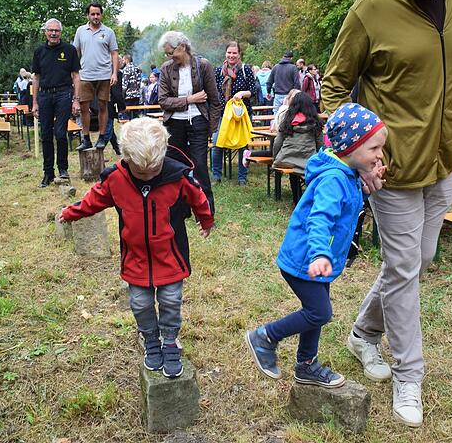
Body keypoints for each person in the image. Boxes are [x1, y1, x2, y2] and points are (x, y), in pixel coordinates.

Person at [320, 0, 452, 427]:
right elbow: (332, 88)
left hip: (443, 162)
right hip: (390, 172)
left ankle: (363, 333)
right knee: (405, 269)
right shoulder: (372, 7)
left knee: (417, 259)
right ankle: (409, 373)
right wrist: (359, 159)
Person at [246, 103, 387, 388]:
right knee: (320, 312)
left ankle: (306, 365)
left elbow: (347, 209)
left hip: (317, 261)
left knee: (315, 313)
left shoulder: (347, 173)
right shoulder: (334, 179)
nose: (380, 155)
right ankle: (265, 337)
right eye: (373, 149)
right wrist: (321, 253)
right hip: (306, 259)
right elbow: (320, 219)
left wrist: (366, 185)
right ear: (350, 146)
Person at [60, 117, 214, 378]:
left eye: (153, 170)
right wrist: (71, 212)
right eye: (140, 172)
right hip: (136, 259)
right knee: (140, 303)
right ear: (126, 157)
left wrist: (206, 219)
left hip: (170, 257)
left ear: (163, 156)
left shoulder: (178, 177)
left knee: (171, 300)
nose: (147, 176)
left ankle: (169, 340)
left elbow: (198, 197)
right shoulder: (116, 180)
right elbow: (93, 200)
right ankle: (150, 339)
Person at [157, 31, 221, 212]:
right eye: (167, 54)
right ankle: (180, 210)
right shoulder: (166, 69)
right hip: (174, 125)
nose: (169, 57)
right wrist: (188, 100)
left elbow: (215, 101)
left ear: (182, 47)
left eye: (171, 53)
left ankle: (206, 210)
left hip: (198, 123)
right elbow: (162, 100)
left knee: (200, 166)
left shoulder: (203, 66)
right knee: (176, 166)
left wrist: (211, 127)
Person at [31, 18, 81, 187]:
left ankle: (63, 169)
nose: (53, 33)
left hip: (63, 94)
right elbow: (36, 78)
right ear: (45, 32)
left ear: (60, 32)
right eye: (50, 30)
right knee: (45, 134)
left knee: (60, 133)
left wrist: (76, 100)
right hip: (44, 96)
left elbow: (76, 76)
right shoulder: (39, 51)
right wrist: (34, 102)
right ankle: (48, 173)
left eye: (56, 31)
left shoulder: (70, 50)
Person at [73, 2, 120, 151]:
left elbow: (114, 53)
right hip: (85, 75)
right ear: (88, 15)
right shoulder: (81, 31)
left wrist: (114, 73)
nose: (95, 17)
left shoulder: (108, 32)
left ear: (101, 15)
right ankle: (86, 138)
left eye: (98, 14)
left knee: (102, 106)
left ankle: (101, 137)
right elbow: (76, 52)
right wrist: (74, 72)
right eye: (92, 14)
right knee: (84, 107)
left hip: (104, 75)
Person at [212, 41, 258, 186]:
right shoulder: (218, 71)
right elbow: (214, 91)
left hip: (241, 115)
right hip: (222, 114)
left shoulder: (246, 70)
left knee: (243, 146)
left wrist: (243, 93)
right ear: (225, 53)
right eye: (229, 52)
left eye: (234, 53)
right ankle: (216, 176)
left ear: (239, 54)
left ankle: (242, 178)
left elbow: (254, 91)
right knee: (217, 144)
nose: (232, 55)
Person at [272, 91, 324, 174]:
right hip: (309, 161)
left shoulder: (287, 122)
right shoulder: (315, 124)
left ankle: (294, 187)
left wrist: (275, 158)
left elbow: (277, 143)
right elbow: (320, 145)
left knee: (291, 167)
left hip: (285, 160)